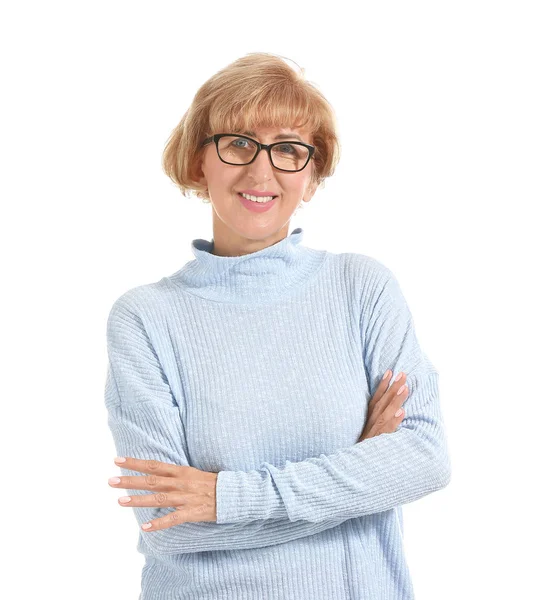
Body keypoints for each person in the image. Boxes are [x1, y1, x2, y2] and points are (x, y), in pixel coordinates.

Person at [104, 52, 451, 600]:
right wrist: (362, 472)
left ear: (312, 177)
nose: (262, 172)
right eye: (239, 143)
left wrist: (227, 498)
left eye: (289, 149)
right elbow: (173, 520)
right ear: (199, 162)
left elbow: (423, 458)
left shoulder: (361, 288)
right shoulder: (147, 319)